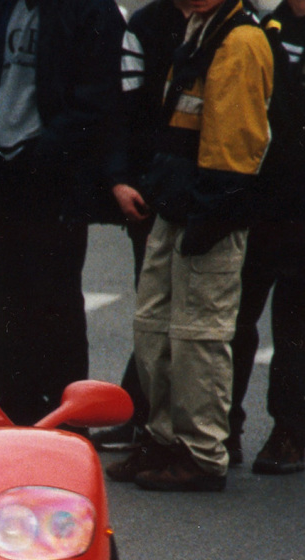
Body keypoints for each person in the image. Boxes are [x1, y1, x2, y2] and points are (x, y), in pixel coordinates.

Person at [107, 0, 273, 491]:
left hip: (209, 211)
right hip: (177, 205)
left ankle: (201, 454)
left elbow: (237, 146)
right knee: (154, 327)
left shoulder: (240, 40)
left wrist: (211, 215)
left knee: (200, 336)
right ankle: (162, 439)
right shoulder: (201, 29)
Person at [0, 0, 124, 427]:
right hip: (2, 172)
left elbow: (96, 102)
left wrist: (42, 153)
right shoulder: (6, 7)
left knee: (53, 305)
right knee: (1, 305)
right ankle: (14, 412)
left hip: (52, 182)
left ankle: (63, 419)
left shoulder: (92, 11)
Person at [227, 0, 305, 474]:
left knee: (294, 326)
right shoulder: (268, 24)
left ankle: (289, 435)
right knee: (235, 320)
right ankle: (224, 429)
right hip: (263, 203)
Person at [91, 0, 190, 453]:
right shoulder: (147, 24)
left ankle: (200, 422)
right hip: (150, 191)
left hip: (209, 189)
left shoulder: (238, 23)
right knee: (154, 306)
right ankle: (143, 414)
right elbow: (120, 106)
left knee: (203, 315)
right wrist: (119, 178)